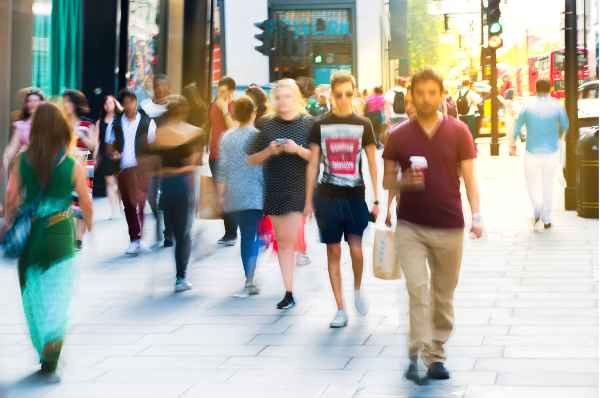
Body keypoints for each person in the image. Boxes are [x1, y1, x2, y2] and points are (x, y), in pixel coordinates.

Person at [382, 69, 482, 384]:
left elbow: (469, 178)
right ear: (411, 95)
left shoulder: (459, 132)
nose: (426, 98)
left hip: (450, 225)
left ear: (441, 95)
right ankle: (420, 350)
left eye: (432, 92)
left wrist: (477, 215)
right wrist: (402, 180)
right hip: (411, 226)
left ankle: (436, 353)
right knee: (417, 289)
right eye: (420, 93)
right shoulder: (398, 135)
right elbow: (387, 180)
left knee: (443, 294)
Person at [4, 102, 92, 376]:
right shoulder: (71, 164)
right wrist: (87, 224)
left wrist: (10, 220)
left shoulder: (22, 160)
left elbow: (10, 198)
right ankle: (52, 348)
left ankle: (43, 346)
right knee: (58, 294)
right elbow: (85, 200)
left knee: (35, 295)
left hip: (31, 237)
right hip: (60, 235)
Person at [304, 71, 380, 328]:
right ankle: (340, 308)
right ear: (332, 96)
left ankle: (358, 288)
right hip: (327, 195)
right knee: (333, 250)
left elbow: (372, 164)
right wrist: (307, 201)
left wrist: (377, 199)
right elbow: (313, 164)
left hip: (355, 196)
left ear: (354, 94)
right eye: (339, 95)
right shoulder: (319, 125)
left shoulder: (364, 125)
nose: (344, 99)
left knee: (357, 251)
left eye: (349, 94)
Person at [248, 79, 313, 310]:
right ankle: (288, 291)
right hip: (274, 188)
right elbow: (251, 158)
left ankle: (289, 290)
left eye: (288, 96)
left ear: (296, 98)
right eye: (279, 97)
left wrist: (297, 150)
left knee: (288, 240)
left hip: (298, 189)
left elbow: (318, 158)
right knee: (283, 243)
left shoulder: (308, 123)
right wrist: (269, 150)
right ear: (273, 100)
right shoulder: (266, 125)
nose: (283, 101)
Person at [148, 95, 202, 293]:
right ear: (185, 111)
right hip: (183, 185)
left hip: (165, 185)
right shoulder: (195, 132)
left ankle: (179, 271)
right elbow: (193, 164)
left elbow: (154, 164)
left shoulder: (158, 135)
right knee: (183, 233)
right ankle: (180, 277)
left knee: (171, 231)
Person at [216, 96, 264, 298]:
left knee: (246, 236)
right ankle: (250, 279)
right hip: (256, 193)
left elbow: (222, 167)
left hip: (234, 195)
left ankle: (249, 278)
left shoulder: (227, 137)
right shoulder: (260, 137)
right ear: (254, 113)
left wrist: (220, 194)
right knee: (253, 235)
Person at [106, 89, 157, 256]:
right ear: (122, 105)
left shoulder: (147, 123)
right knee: (129, 205)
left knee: (140, 202)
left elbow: (153, 147)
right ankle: (134, 239)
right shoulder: (115, 124)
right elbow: (109, 146)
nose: (129, 105)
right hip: (123, 168)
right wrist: (113, 153)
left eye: (131, 101)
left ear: (136, 102)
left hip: (141, 168)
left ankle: (138, 237)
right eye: (125, 102)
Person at [512, 79, 569, 229]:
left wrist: (513, 144)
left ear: (536, 89)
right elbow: (565, 125)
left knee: (531, 183)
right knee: (548, 184)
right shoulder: (557, 106)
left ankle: (537, 207)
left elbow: (517, 126)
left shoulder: (527, 106)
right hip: (551, 152)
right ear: (550, 89)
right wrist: (557, 137)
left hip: (532, 152)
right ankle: (547, 218)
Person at [141, 74, 173, 248]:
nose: (161, 89)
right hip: (150, 158)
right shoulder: (146, 107)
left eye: (164, 86)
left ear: (168, 87)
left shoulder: (173, 106)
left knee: (167, 195)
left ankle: (168, 232)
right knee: (151, 196)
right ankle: (158, 217)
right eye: (157, 86)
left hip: (169, 158)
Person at [63, 90, 95, 251]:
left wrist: (80, 135)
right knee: (68, 200)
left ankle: (78, 239)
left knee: (81, 200)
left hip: (84, 164)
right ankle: (69, 235)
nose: (65, 104)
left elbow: (93, 146)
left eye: (68, 101)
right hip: (65, 165)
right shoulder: (61, 123)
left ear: (75, 104)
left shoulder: (88, 124)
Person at [209, 77, 238, 246]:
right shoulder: (213, 105)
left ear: (231, 92)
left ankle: (231, 233)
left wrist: (224, 109)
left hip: (226, 156)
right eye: (218, 92)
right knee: (220, 196)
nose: (220, 95)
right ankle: (229, 231)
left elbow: (234, 128)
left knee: (226, 195)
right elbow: (213, 127)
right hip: (214, 155)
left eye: (224, 92)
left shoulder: (233, 106)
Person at [3, 88, 45, 175]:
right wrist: (6, 158)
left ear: (42, 103)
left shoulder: (49, 123)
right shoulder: (21, 125)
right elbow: (13, 146)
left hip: (45, 166)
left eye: (35, 100)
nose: (32, 103)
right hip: (26, 166)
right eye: (29, 101)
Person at [94, 95, 122, 219]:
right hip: (106, 155)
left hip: (121, 154)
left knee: (120, 184)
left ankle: (120, 206)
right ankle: (114, 211)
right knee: (110, 183)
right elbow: (97, 141)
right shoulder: (100, 122)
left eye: (111, 103)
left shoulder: (121, 119)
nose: (108, 105)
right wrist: (95, 157)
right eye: (106, 103)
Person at [498, 88, 517, 155]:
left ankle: (511, 151)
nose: (515, 95)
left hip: (508, 119)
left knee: (510, 136)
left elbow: (501, 100)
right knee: (512, 136)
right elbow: (513, 112)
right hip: (511, 120)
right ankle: (512, 151)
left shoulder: (507, 101)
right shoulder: (509, 102)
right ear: (511, 94)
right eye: (514, 93)